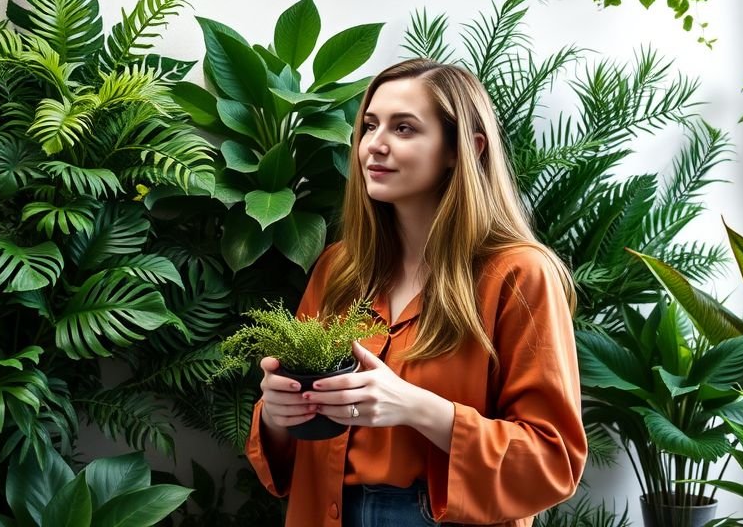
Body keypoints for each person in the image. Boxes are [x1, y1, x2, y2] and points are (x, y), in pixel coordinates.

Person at [246, 58, 587, 526]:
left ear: (462, 149)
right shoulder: (339, 268)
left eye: (404, 128)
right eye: (369, 126)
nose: (374, 146)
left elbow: (554, 462)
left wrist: (417, 408)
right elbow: (289, 449)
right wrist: (279, 415)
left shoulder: (519, 275)